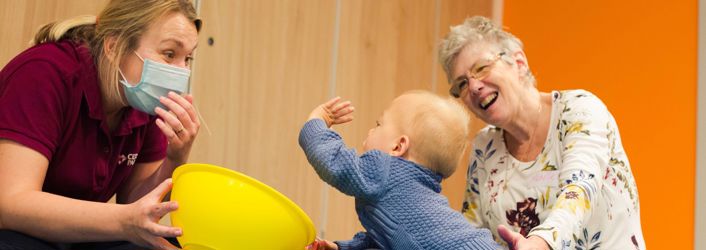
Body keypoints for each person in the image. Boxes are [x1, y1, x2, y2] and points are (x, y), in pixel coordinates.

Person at [0, 0, 202, 249]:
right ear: (113, 45)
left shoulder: (142, 101)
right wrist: (125, 222)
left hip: (74, 237)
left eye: (187, 58)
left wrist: (175, 157)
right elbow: (10, 204)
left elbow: (136, 204)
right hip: (16, 231)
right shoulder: (44, 73)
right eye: (169, 54)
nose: (181, 73)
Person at [437, 16, 645, 250]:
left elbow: (580, 190)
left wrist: (542, 242)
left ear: (519, 63)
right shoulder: (484, 147)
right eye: (462, 84)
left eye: (482, 68)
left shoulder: (579, 111)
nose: (474, 87)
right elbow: (473, 233)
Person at [299, 90, 501, 250]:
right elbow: (389, 238)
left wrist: (317, 123)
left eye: (379, 124)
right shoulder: (415, 192)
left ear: (398, 146)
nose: (371, 129)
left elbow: (334, 162)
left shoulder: (384, 169)